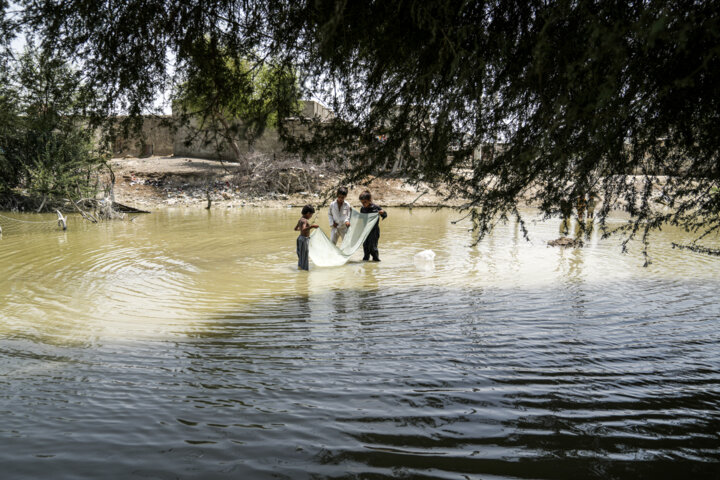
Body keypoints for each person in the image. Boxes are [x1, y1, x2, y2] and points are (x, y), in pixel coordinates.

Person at [359, 190, 387, 261]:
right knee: (365, 246)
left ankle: (376, 259)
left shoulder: (376, 208)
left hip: (374, 231)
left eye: (365, 202)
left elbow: (385, 215)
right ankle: (366, 260)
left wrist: (382, 213)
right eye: (362, 202)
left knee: (372, 246)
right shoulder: (362, 209)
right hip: (366, 230)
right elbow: (361, 220)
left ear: (369, 200)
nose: (363, 204)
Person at [295, 205, 319, 271]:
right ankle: (304, 271)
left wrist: (303, 231)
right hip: (304, 240)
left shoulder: (300, 220)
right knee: (305, 257)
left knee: (301, 257)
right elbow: (303, 229)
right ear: (308, 213)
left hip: (300, 238)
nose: (311, 216)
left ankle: (300, 269)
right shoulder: (304, 221)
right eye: (311, 215)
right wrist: (312, 226)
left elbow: (296, 228)